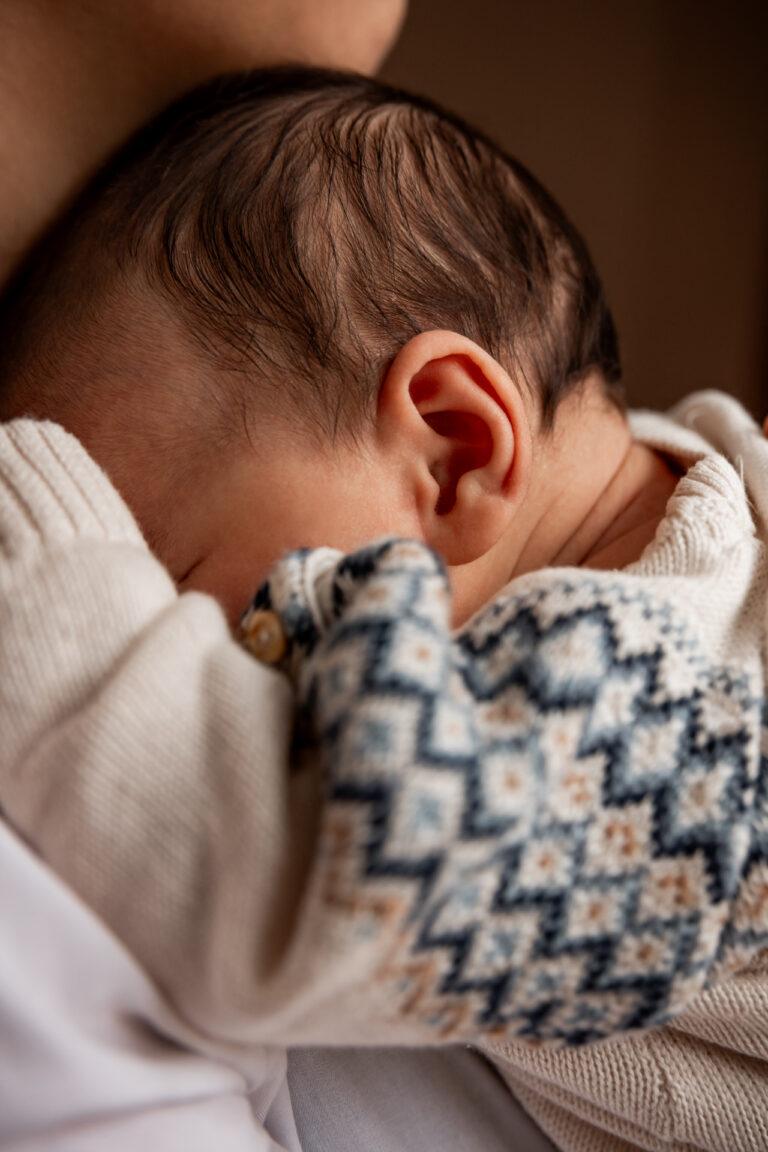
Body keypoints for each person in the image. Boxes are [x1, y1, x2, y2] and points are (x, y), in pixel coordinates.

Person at [1, 66, 767, 1151]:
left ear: (453, 454)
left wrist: (46, 585)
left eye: (172, 584)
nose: (188, 651)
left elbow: (316, 887)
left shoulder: (657, 681)